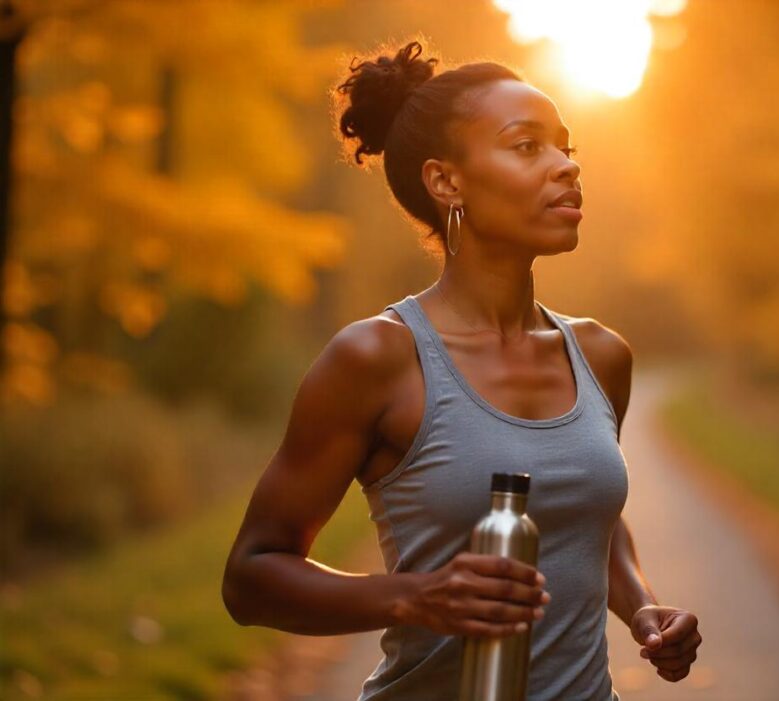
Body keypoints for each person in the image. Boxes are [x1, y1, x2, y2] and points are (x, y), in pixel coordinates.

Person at [221, 38, 701, 701]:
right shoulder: (377, 360)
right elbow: (251, 576)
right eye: (528, 146)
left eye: (567, 147)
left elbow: (588, 515)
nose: (566, 167)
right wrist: (410, 597)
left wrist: (643, 607)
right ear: (447, 181)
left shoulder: (600, 354)